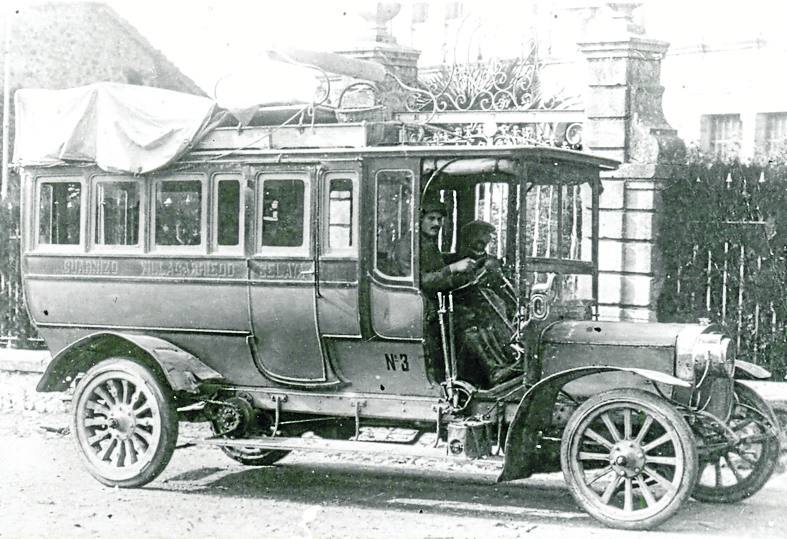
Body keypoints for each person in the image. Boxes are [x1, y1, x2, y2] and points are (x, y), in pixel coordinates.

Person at [448, 220, 521, 387]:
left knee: (501, 309)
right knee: (485, 318)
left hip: (488, 303)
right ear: (469, 237)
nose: (484, 238)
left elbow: (501, 286)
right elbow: (456, 284)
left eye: (486, 235)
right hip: (466, 303)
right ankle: (496, 368)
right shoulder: (459, 260)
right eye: (479, 234)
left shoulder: (492, 260)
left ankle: (509, 361)